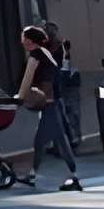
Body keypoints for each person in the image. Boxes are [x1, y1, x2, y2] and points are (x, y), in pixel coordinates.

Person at [18, 22, 82, 189]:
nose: (22, 41)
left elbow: (27, 79)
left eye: (24, 38)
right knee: (57, 140)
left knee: (47, 141)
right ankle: (69, 175)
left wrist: (20, 97)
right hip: (53, 101)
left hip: (49, 102)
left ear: (30, 41)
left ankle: (70, 176)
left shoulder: (36, 56)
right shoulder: (46, 53)